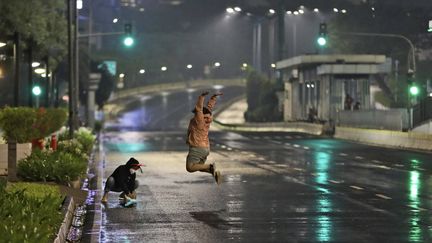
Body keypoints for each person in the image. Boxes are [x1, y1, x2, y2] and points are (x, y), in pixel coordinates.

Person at [186, 91, 223, 184]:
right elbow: (209, 108)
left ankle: (210, 167)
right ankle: (214, 173)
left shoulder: (200, 121)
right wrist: (213, 98)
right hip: (205, 148)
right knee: (199, 166)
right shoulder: (208, 119)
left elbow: (199, 109)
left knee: (190, 168)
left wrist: (201, 96)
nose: (195, 115)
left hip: (197, 148)